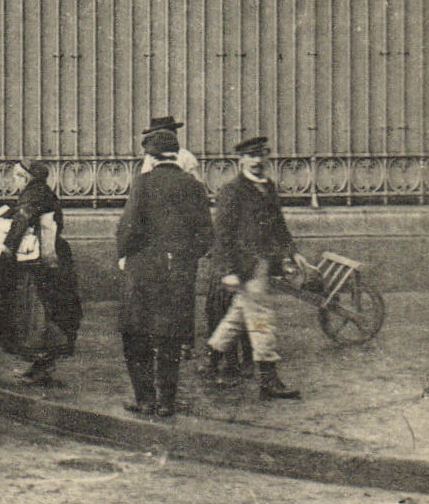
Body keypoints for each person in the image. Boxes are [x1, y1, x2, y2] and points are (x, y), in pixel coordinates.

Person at [115, 126, 213, 416]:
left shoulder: (143, 183)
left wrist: (125, 255)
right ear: (177, 155)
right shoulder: (194, 186)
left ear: (153, 158)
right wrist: (183, 257)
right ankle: (167, 402)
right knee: (170, 338)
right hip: (179, 273)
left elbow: (128, 227)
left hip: (144, 271)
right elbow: (207, 236)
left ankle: (145, 399)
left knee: (137, 335)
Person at [206, 136, 304, 401]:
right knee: (262, 319)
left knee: (238, 316)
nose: (258, 161)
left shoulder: (268, 187)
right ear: (241, 160)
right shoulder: (232, 191)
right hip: (244, 267)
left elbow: (278, 226)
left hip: (263, 263)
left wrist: (292, 253)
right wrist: (227, 270)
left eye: (262, 155)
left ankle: (212, 360)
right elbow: (222, 234)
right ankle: (269, 380)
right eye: (252, 156)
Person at [0, 161, 83, 386]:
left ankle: (41, 365)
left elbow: (20, 224)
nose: (14, 181)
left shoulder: (31, 195)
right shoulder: (44, 192)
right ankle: (41, 366)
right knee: (51, 309)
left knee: (35, 313)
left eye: (17, 177)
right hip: (52, 258)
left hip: (36, 261)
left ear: (25, 177)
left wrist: (4, 252)